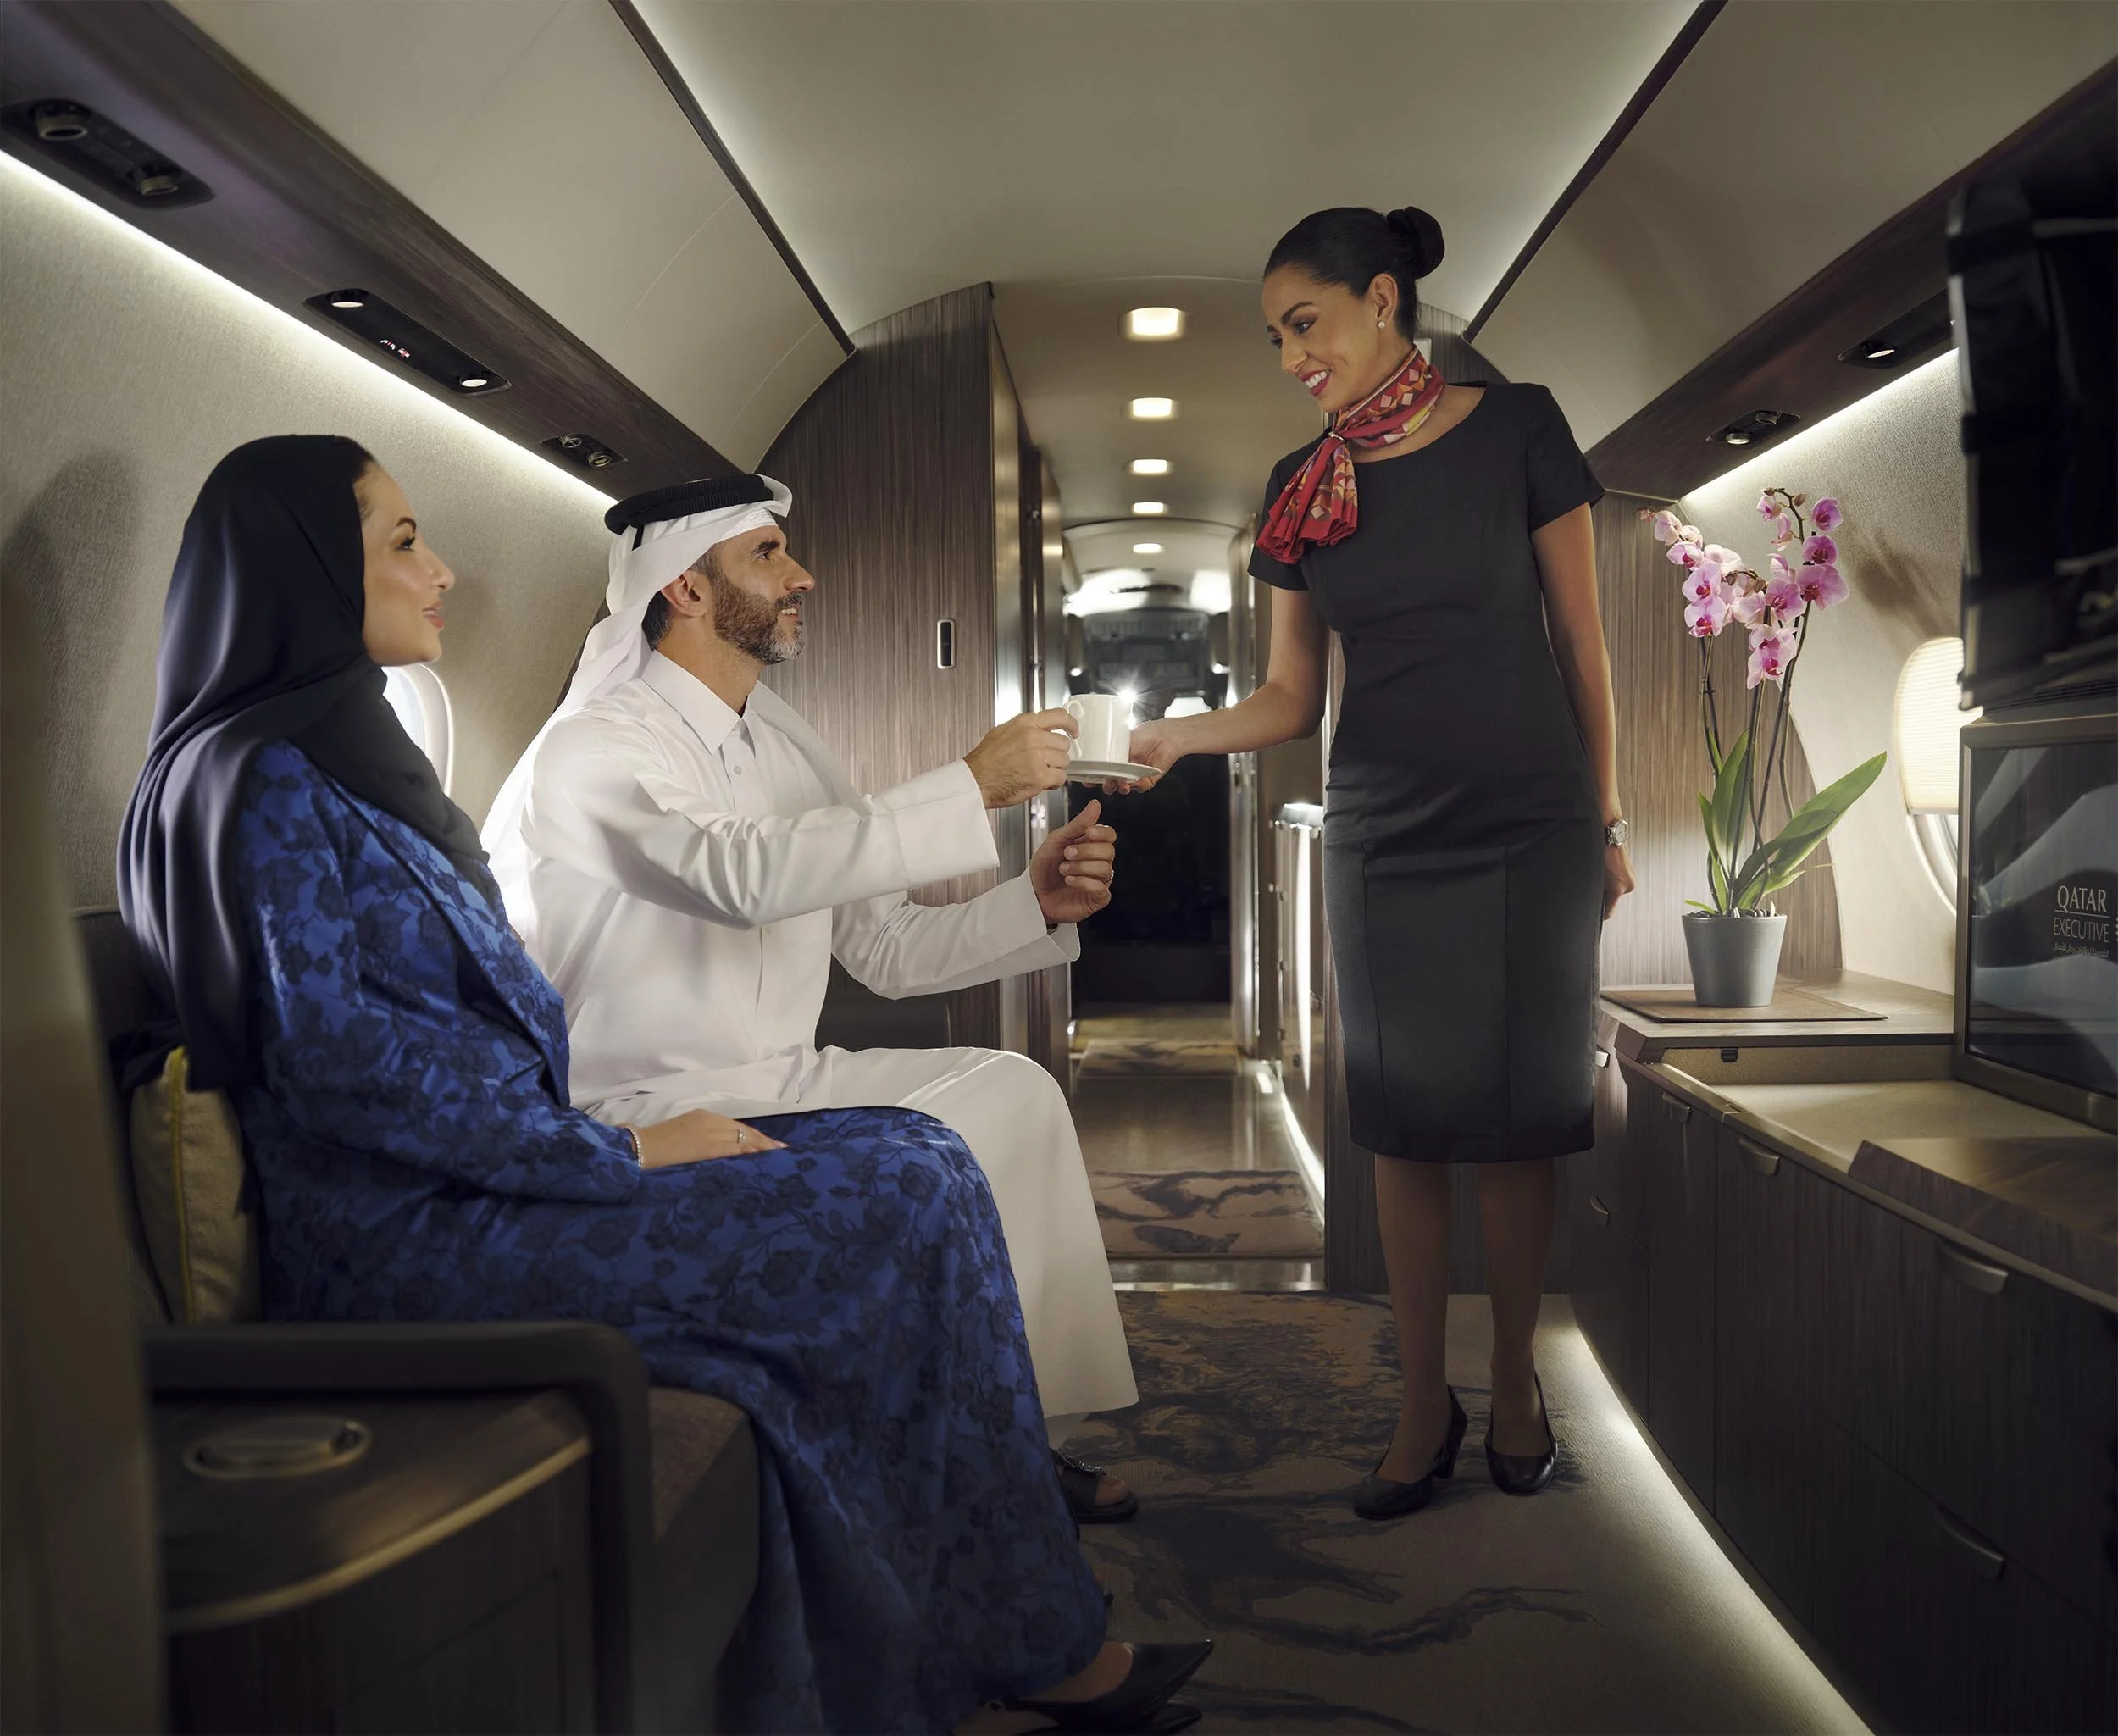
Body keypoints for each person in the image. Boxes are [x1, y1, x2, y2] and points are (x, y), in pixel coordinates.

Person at [114, 436, 1208, 1733]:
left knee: (936, 1161)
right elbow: (352, 1071)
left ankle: (1003, 1580)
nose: (443, 569)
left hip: (509, 1164)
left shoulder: (352, 764)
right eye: (405, 540)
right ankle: (1008, 1639)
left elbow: (864, 930)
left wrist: (1030, 901)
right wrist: (615, 1150)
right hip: (443, 1209)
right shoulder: (307, 778)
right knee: (912, 1187)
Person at [480, 474, 1140, 1522]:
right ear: (685, 588)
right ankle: (966, 1462)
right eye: (769, 555)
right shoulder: (592, 747)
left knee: (1011, 1091)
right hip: (643, 1100)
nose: (803, 577)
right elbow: (732, 874)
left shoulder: (785, 744)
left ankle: (1016, 1443)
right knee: (951, 1139)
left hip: (784, 1077)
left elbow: (885, 946)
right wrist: (969, 786)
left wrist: (1033, 901)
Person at [1117, 206, 1635, 1519]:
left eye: (1307, 323)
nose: (1293, 355)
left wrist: (1608, 818)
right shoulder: (1302, 486)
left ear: (1384, 299)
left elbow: (1583, 643)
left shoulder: (1520, 428)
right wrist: (1175, 735)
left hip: (1530, 823)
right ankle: (1421, 1400)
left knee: (1520, 1121)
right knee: (1402, 1126)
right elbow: (1290, 697)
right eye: (1276, 338)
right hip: (1386, 833)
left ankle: (1511, 1383)